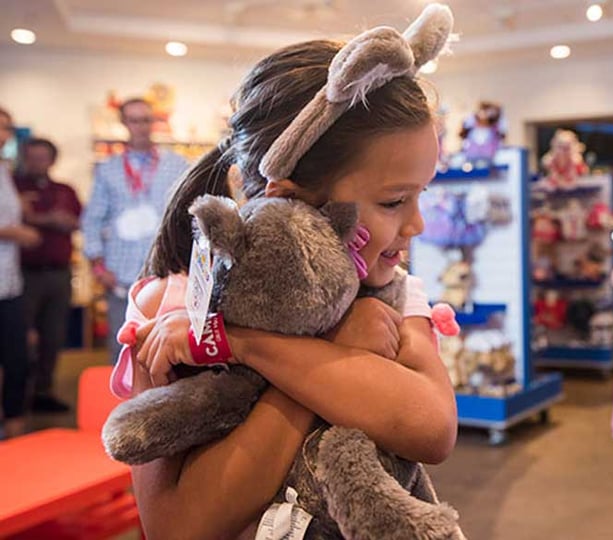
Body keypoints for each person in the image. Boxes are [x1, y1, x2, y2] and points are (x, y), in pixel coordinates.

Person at [123, 5, 458, 538]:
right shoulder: (171, 307)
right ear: (289, 199)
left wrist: (244, 345)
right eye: (394, 201)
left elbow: (432, 429)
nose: (416, 224)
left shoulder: (397, 296)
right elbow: (176, 525)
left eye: (421, 195)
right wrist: (339, 352)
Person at [80, 98, 188, 363]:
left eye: (146, 120)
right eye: (134, 120)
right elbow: (92, 219)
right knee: (123, 349)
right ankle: (125, 404)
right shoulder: (108, 170)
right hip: (121, 276)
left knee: (167, 348)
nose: (141, 127)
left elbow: (186, 215)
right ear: (124, 123)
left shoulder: (178, 165)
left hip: (166, 273)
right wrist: (98, 268)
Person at [14, 137, 82, 413]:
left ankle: (44, 391)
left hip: (58, 273)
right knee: (19, 337)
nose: (37, 163)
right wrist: (49, 220)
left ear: (52, 160)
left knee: (53, 336)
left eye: (43, 157)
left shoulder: (65, 190)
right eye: (32, 157)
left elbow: (78, 220)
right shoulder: (13, 187)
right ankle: (17, 395)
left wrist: (51, 220)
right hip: (23, 275)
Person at [0, 107, 42, 438]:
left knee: (17, 356)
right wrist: (15, 233)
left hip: (9, 280)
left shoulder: (4, 170)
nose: (3, 134)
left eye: (6, 129)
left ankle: (14, 427)